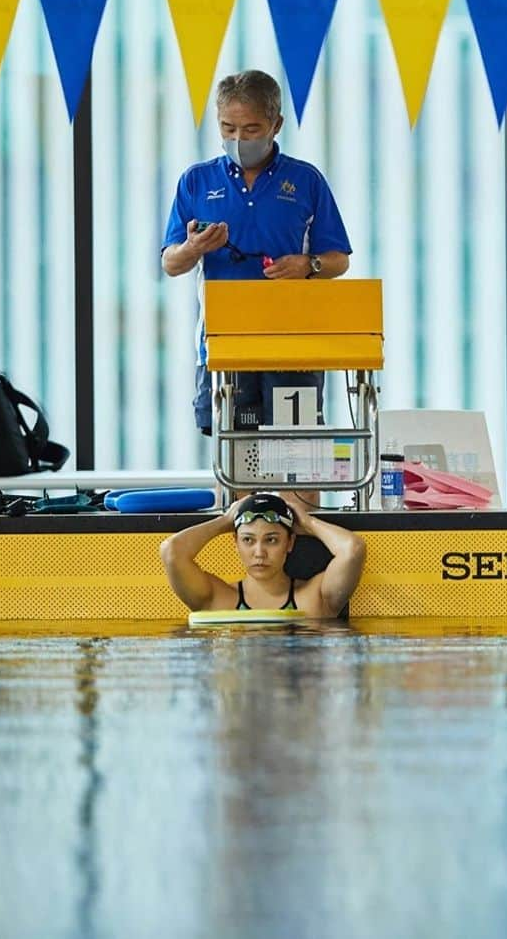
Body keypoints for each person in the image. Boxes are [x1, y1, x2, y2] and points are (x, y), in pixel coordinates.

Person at [161, 69, 353, 435]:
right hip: (222, 345)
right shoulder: (196, 181)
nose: (238, 139)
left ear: (275, 124)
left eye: (250, 129)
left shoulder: (305, 180)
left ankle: (294, 495)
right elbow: (170, 263)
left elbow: (338, 259)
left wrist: (307, 265)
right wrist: (193, 247)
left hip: (296, 344)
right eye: (227, 128)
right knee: (234, 463)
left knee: (298, 462)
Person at [159, 492, 366, 618]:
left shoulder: (313, 598)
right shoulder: (218, 598)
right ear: (236, 543)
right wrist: (224, 521)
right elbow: (171, 551)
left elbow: (353, 549)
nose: (259, 553)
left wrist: (308, 523)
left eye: (272, 540)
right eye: (248, 540)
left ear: (290, 542)